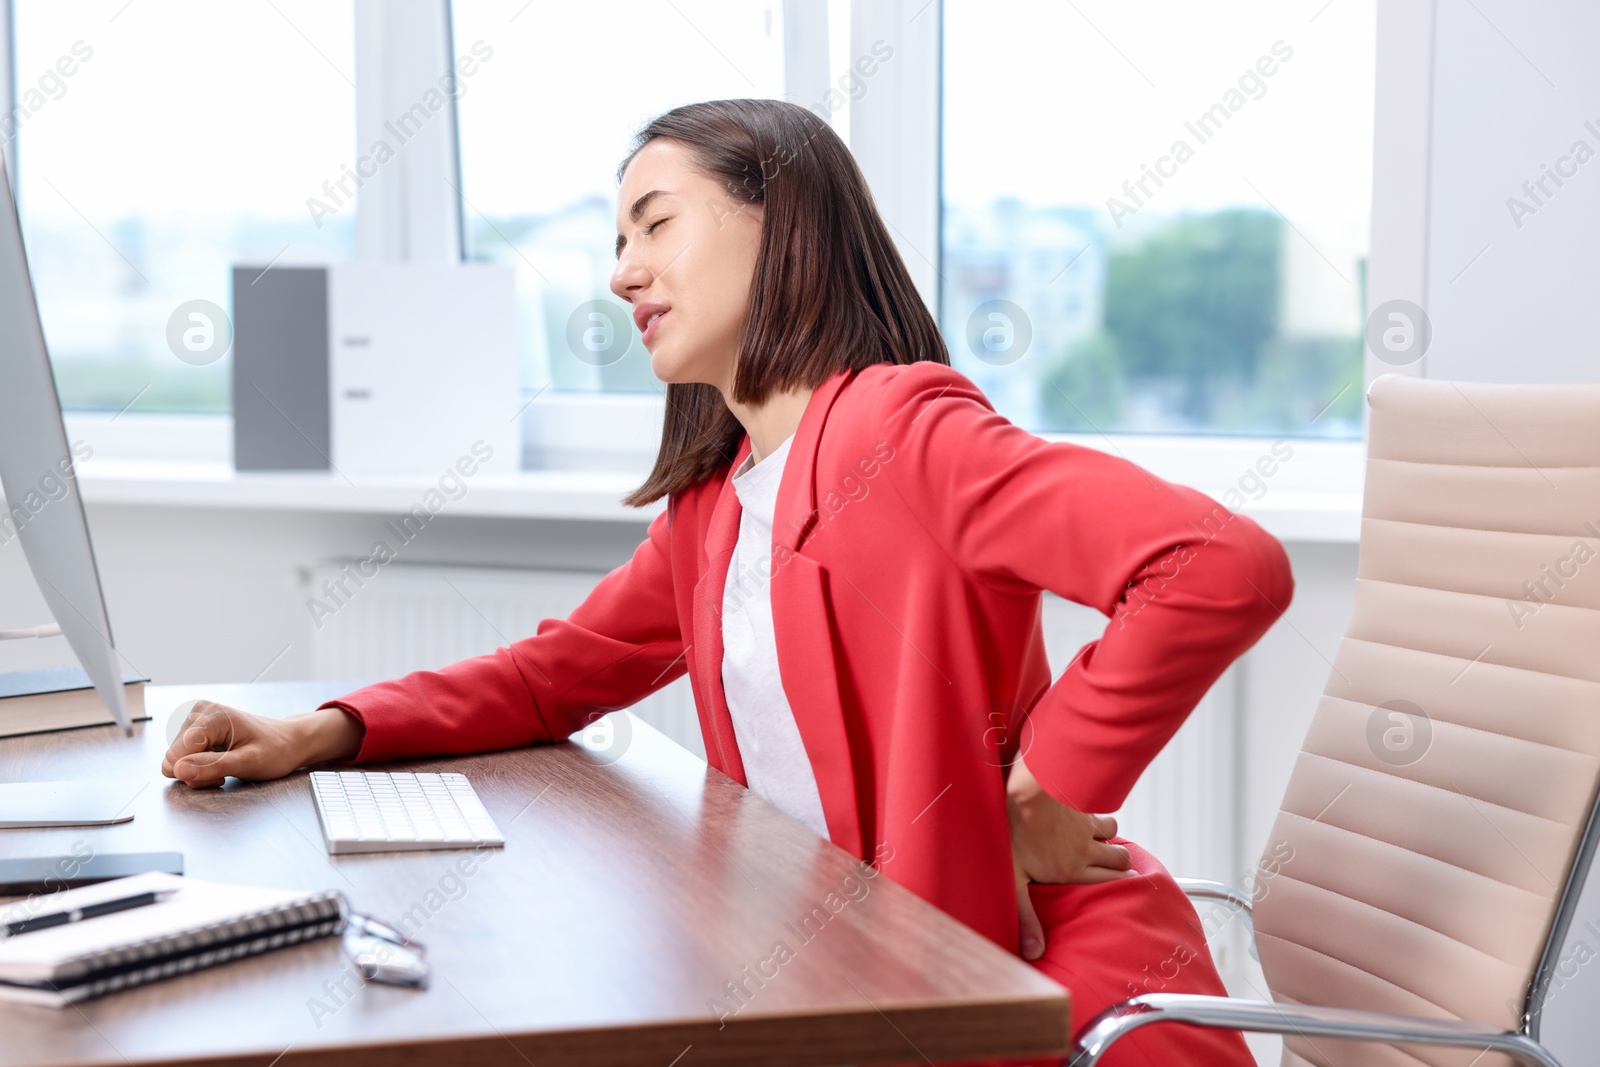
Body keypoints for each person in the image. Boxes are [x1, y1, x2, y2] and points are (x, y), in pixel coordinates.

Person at [161, 99, 1292, 1066]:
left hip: (1050, 989)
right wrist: (320, 730)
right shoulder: (721, 500)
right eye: (616, 239)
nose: (621, 272)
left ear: (780, 219)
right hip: (862, 967)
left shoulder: (902, 430)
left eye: (655, 223)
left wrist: (1040, 789)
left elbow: (1214, 563)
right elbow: (554, 674)